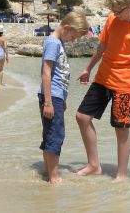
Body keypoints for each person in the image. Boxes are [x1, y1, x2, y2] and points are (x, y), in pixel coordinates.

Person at [75, 0, 130, 181]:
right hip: (102, 78)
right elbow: (101, 48)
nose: (114, 14)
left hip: (125, 85)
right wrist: (87, 68)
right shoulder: (112, 19)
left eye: (118, 11)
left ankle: (121, 176)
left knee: (121, 128)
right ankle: (94, 165)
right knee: (82, 117)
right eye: (112, 10)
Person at [38, 11, 89, 184]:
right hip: (51, 96)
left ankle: (49, 173)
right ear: (66, 28)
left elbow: (58, 74)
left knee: (51, 135)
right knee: (56, 136)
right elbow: (46, 72)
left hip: (56, 96)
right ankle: (54, 177)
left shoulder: (58, 42)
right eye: (73, 36)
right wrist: (48, 102)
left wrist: (62, 99)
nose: (73, 40)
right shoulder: (53, 43)